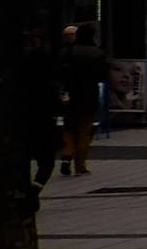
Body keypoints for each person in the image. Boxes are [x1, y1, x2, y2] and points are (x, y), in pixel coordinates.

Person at [12, 30, 63, 187]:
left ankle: (25, 192)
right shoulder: (50, 85)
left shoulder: (19, 83)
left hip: (23, 124)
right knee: (46, 162)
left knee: (24, 160)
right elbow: (57, 106)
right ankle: (35, 190)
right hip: (44, 124)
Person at [58, 24, 108, 176]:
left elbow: (58, 71)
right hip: (88, 96)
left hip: (70, 95)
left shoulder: (67, 52)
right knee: (85, 131)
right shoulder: (97, 53)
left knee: (68, 128)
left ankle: (67, 154)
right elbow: (102, 75)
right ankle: (80, 165)